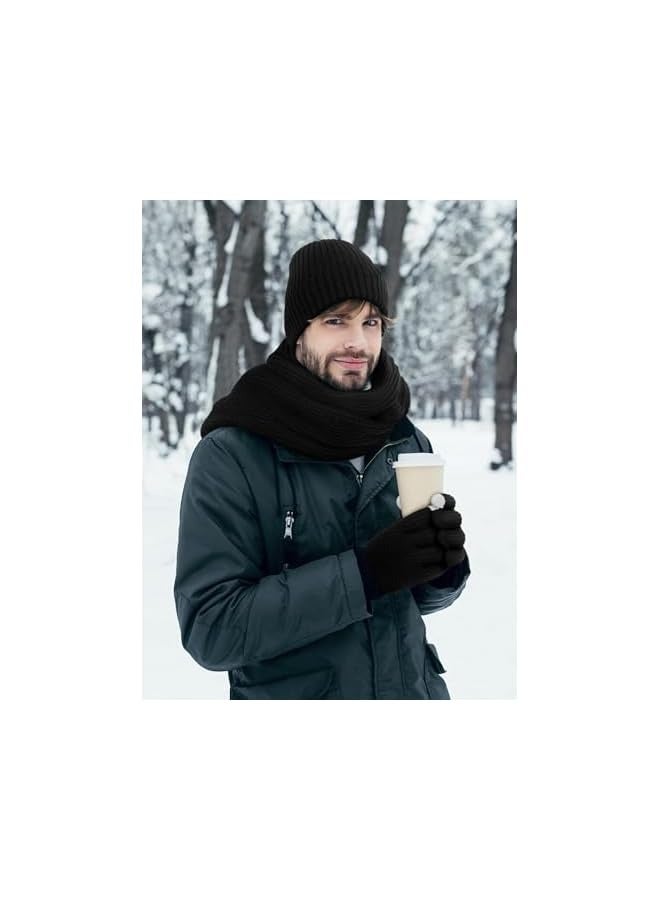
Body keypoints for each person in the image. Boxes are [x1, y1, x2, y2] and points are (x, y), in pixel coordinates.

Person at [174, 239, 470, 699]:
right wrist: (365, 573)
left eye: (371, 322)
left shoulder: (403, 439)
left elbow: (410, 601)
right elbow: (211, 628)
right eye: (336, 320)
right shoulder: (233, 454)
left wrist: (440, 568)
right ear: (299, 332)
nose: (358, 342)